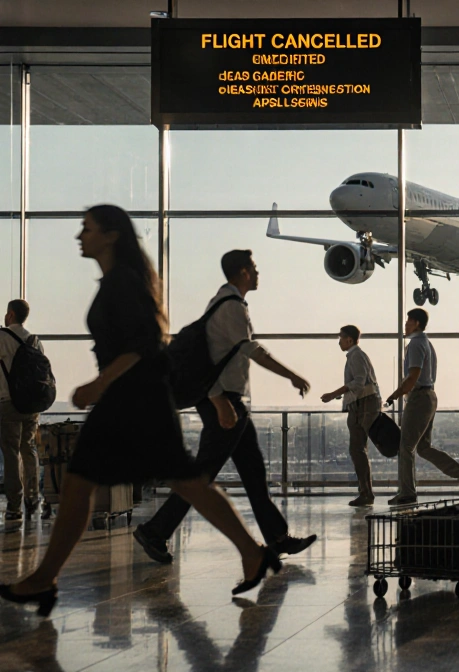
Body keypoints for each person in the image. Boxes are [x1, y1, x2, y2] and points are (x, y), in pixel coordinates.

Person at [1, 205, 279, 618]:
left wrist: (97, 384)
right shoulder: (120, 280)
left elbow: (143, 345)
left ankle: (45, 579)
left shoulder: (122, 282)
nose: (80, 236)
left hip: (135, 399)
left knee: (176, 482)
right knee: (102, 483)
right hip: (132, 398)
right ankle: (45, 578)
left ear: (111, 235)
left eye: (87, 228)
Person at [133, 250, 317, 565]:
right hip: (225, 400)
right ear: (243, 272)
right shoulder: (231, 306)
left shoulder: (224, 303)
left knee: (253, 472)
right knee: (203, 474)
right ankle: (154, 531)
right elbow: (250, 351)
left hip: (229, 399)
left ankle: (277, 537)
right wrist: (290, 376)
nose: (258, 273)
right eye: (255, 268)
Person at [384, 308, 459, 506]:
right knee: (423, 448)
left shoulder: (415, 344)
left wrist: (395, 395)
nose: (405, 325)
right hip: (429, 397)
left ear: (416, 323)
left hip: (418, 398)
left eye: (408, 321)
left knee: (406, 446)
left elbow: (413, 375)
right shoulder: (426, 342)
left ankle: (407, 492)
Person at [321, 325, 380, 507]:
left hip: (362, 405)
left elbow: (359, 382)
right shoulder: (356, 356)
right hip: (363, 404)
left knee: (357, 449)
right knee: (358, 449)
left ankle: (366, 493)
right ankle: (365, 492)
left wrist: (333, 393)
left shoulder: (356, 356)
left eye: (341, 337)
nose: (339, 341)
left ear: (349, 339)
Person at [1, 299, 45, 524]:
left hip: (8, 403)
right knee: (28, 448)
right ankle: (32, 497)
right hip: (32, 406)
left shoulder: (1, 338)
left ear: (10, 315)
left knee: (10, 453)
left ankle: (14, 506)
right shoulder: (34, 341)